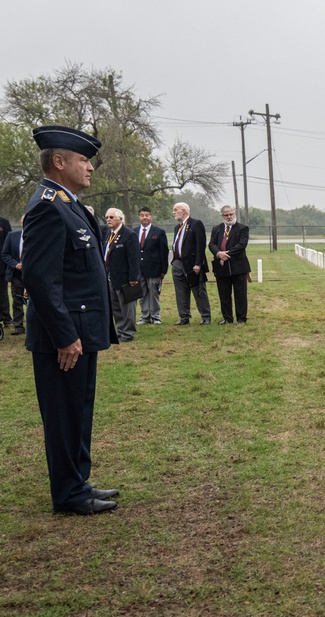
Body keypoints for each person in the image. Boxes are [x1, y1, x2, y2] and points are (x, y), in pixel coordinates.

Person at [21, 125, 119, 515]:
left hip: (82, 331)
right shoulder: (47, 205)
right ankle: (68, 493)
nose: (90, 167)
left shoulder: (70, 204)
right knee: (63, 416)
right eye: (83, 159)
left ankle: (79, 482)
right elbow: (40, 279)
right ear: (59, 162)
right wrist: (64, 336)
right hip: (63, 337)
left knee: (79, 410)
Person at [209, 205, 251, 325]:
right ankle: (227, 318)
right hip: (221, 267)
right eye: (226, 215)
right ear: (222, 216)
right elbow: (211, 244)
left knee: (240, 294)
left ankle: (241, 318)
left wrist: (225, 255)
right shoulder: (216, 229)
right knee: (224, 294)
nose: (229, 217)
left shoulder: (242, 228)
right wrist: (218, 253)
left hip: (238, 266)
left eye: (231, 214)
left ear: (234, 214)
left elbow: (241, 245)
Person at [170, 202, 211, 325]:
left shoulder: (196, 224)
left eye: (175, 210)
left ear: (184, 210)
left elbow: (200, 245)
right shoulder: (177, 227)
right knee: (180, 291)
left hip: (192, 264)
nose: (174, 212)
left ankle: (205, 316)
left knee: (198, 290)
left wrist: (198, 263)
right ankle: (184, 316)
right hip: (178, 263)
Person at [103, 208, 140, 342]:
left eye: (111, 217)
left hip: (125, 278)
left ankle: (128, 333)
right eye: (107, 217)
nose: (108, 220)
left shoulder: (129, 235)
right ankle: (120, 330)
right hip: (111, 276)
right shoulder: (108, 234)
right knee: (116, 306)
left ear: (120, 219)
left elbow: (134, 258)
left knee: (127, 307)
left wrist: (133, 277)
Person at [136, 206, 169, 324]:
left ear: (151, 217)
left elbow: (164, 252)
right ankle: (144, 316)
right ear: (139, 217)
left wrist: (163, 270)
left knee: (153, 293)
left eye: (147, 215)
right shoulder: (134, 232)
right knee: (142, 294)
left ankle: (155, 316)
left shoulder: (159, 232)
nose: (144, 217)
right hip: (140, 270)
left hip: (154, 269)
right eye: (142, 215)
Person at [1, 215, 26, 335]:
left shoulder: (38, 237)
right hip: (16, 273)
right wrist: (15, 264)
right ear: (21, 223)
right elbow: (5, 253)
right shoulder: (12, 236)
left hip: (33, 274)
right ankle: (18, 325)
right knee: (17, 299)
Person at [0, 215, 11, 328]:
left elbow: (9, 242)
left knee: (3, 292)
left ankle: (6, 318)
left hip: (1, 265)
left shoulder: (4, 222)